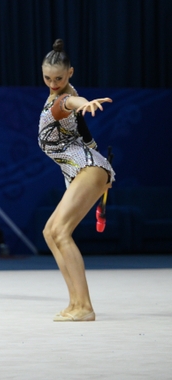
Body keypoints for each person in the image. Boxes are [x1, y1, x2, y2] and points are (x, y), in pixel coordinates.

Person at [38, 39, 115, 322]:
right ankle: (75, 303)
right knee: (50, 233)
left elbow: (70, 103)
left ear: (70, 72)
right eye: (47, 77)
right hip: (83, 169)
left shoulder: (64, 99)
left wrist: (85, 104)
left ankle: (84, 307)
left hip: (87, 168)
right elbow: (84, 135)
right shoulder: (55, 96)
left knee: (60, 232)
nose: (53, 82)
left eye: (59, 77)